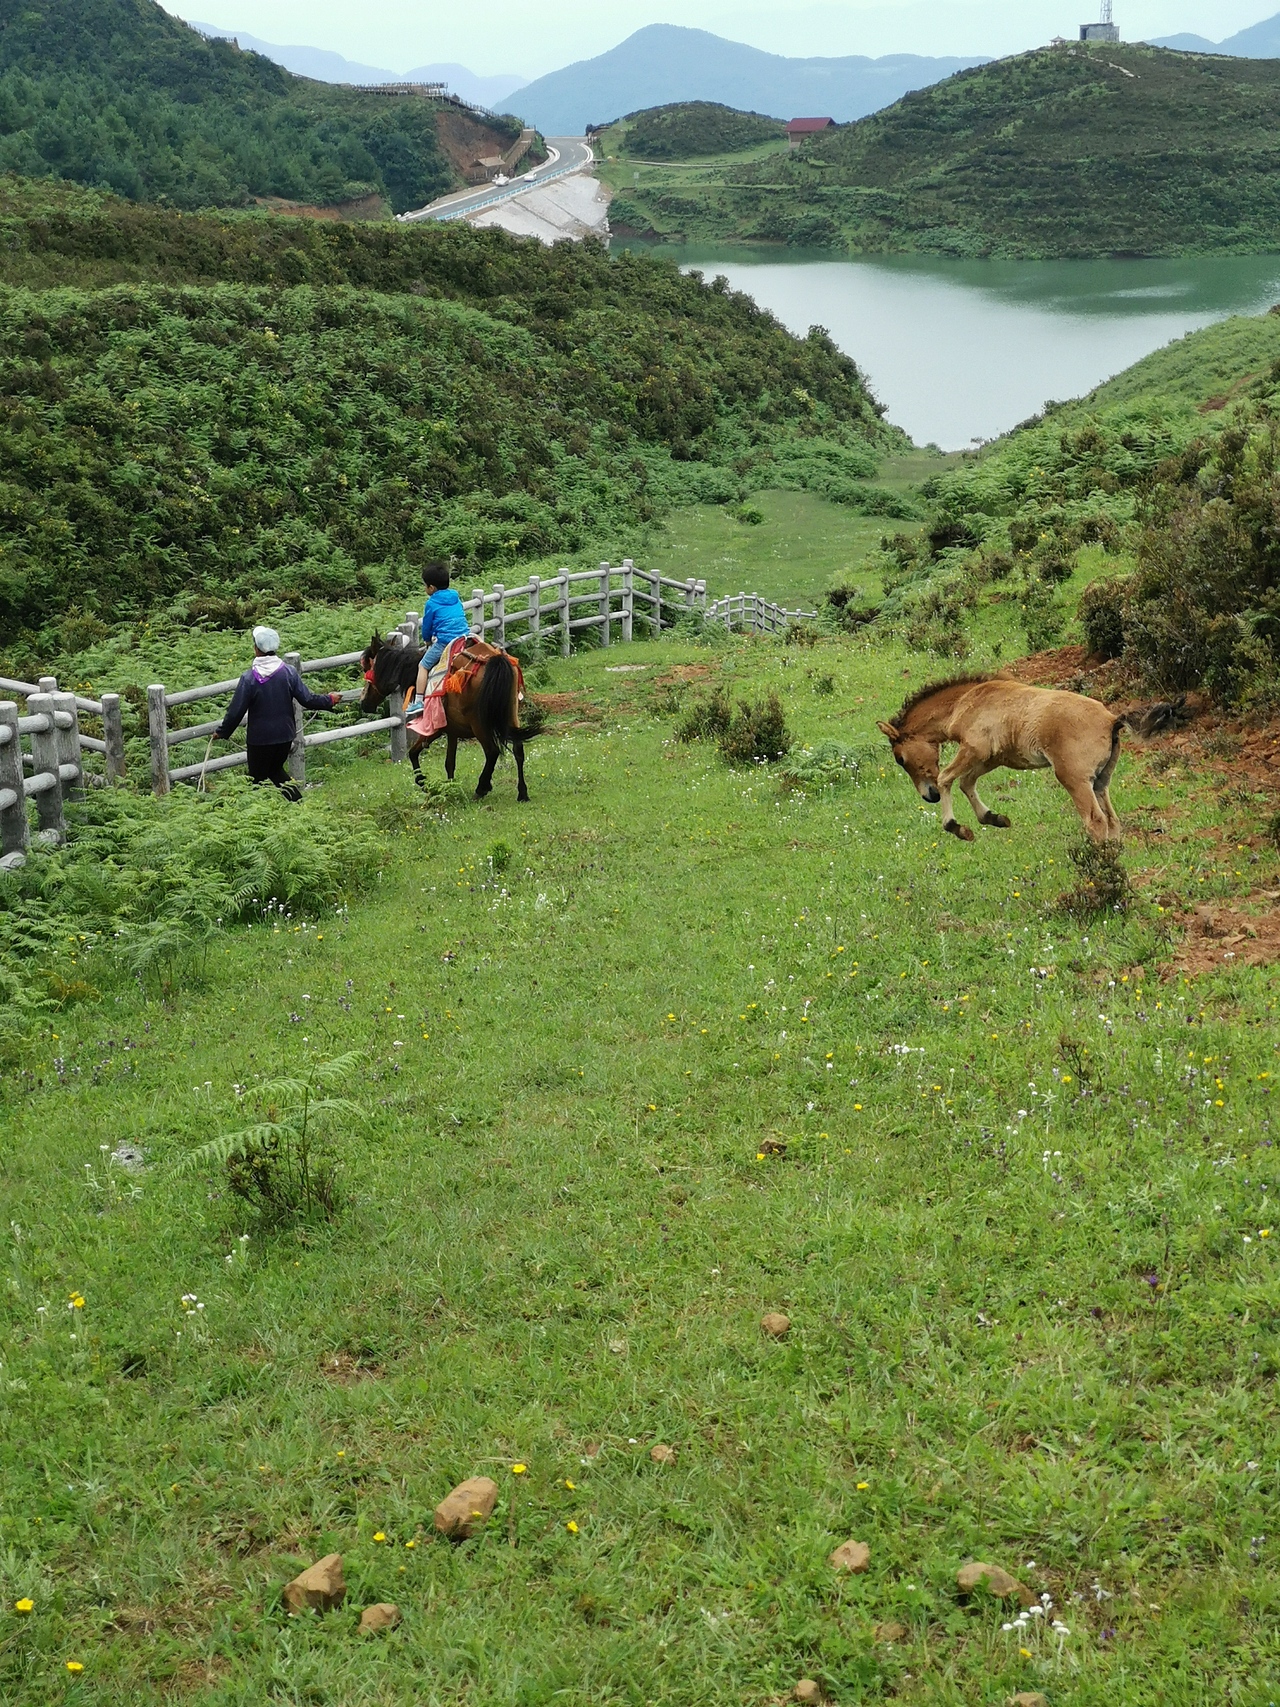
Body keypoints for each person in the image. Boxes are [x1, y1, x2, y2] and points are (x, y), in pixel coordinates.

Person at [213, 626, 342, 801]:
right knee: (275, 771)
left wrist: (222, 732)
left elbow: (236, 710)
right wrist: (329, 700)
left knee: (256, 779)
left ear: (256, 649)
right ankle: (298, 804)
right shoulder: (288, 672)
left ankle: (257, 817)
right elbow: (307, 699)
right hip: (285, 735)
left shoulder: (249, 678)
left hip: (260, 739)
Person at [406, 561, 472, 718]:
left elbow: (427, 626)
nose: (425, 589)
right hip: (463, 638)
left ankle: (419, 701)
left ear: (431, 588)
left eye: (425, 586)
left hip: (445, 642)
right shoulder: (455, 595)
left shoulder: (432, 603)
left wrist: (427, 640)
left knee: (423, 665)